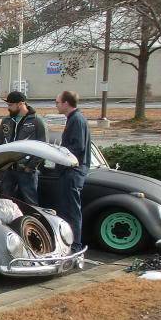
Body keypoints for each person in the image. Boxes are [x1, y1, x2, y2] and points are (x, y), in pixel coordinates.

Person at [54, 90, 91, 253]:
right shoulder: (74, 119)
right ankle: (69, 242)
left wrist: (59, 153)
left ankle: (75, 245)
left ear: (66, 103)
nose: (56, 105)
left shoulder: (76, 120)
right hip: (72, 171)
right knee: (67, 209)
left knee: (71, 210)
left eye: (57, 102)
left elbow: (78, 147)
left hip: (73, 171)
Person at [0, 90, 48, 204]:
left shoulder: (36, 121)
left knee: (30, 202)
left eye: (10, 105)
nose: (8, 108)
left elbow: (44, 147)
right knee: (6, 201)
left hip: (26, 170)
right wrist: (1, 164)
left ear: (20, 104)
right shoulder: (6, 121)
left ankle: (33, 221)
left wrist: (30, 166)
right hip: (8, 169)